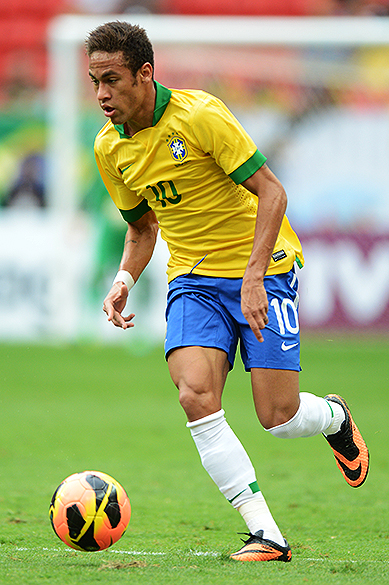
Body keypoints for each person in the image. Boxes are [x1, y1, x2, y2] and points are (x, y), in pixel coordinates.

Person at [85, 21, 369, 562]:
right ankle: (268, 535)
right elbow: (144, 229)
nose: (101, 94)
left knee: (278, 418)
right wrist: (124, 280)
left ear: (144, 74)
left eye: (112, 80)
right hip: (192, 280)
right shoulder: (109, 148)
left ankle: (333, 416)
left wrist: (256, 275)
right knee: (194, 396)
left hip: (262, 270)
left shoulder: (200, 116)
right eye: (95, 81)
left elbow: (272, 193)